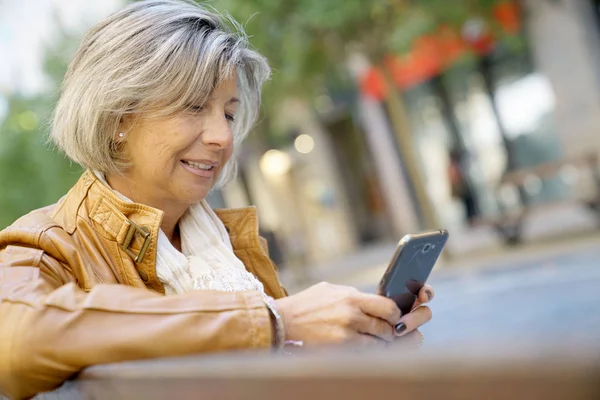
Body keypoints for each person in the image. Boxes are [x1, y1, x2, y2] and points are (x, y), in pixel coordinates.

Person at [0, 1, 435, 398]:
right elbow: (13, 339)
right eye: (192, 106)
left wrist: (353, 346)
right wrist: (275, 322)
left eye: (228, 112)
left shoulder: (224, 243)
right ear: (118, 118)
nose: (223, 136)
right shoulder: (50, 244)